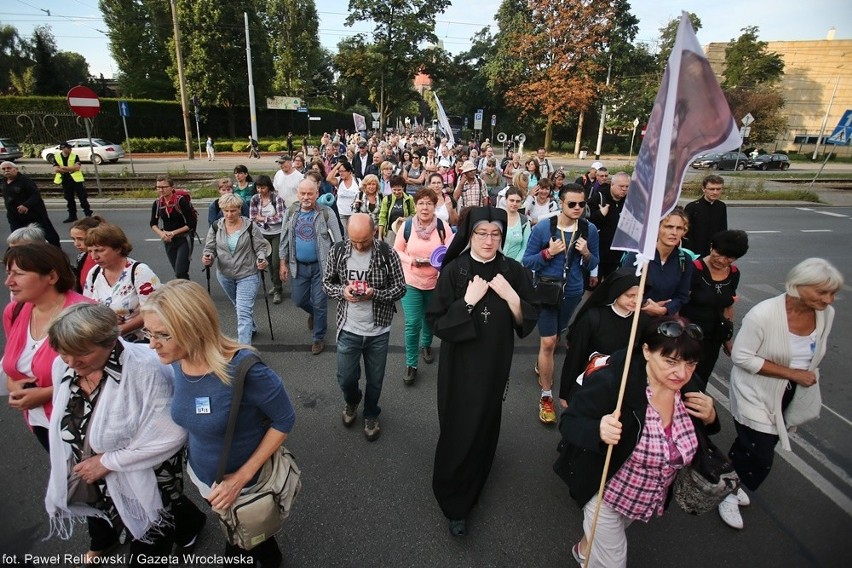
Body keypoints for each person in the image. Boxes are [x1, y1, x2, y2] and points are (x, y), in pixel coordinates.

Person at [141, 280, 296, 566]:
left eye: (163, 334)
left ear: (193, 328)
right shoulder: (176, 360)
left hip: (246, 485)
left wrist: (240, 478)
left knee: (242, 543)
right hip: (204, 478)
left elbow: (284, 419)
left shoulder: (245, 369)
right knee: (248, 532)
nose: (152, 344)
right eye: (148, 332)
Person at [44, 303, 206, 564]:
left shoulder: (146, 368)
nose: (72, 363)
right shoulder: (62, 365)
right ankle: (191, 524)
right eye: (64, 354)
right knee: (160, 508)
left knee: (152, 523)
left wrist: (106, 462)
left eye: (82, 353)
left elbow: (170, 434)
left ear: (109, 342)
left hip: (149, 470)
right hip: (96, 472)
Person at [555, 317, 719, 568]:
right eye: (670, 361)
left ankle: (584, 549)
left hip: (644, 496)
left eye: (691, 363)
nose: (681, 373)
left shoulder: (688, 387)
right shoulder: (615, 385)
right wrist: (598, 430)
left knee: (609, 534)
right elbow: (569, 422)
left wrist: (711, 418)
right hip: (604, 492)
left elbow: (696, 433)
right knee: (613, 562)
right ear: (646, 351)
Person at [427, 206, 538, 536]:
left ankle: (473, 488)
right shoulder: (455, 272)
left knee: (485, 427)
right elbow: (436, 323)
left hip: (494, 365)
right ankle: (453, 500)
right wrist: (469, 302)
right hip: (459, 367)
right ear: (469, 234)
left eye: (496, 234)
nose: (489, 240)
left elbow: (525, 322)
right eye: (482, 233)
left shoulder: (513, 271)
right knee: (458, 427)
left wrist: (513, 298)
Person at [720, 258, 843, 530]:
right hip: (754, 391)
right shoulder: (763, 314)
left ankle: (727, 470)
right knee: (761, 453)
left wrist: (801, 377)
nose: (829, 299)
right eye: (822, 292)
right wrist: (792, 373)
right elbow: (741, 357)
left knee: (753, 443)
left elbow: (814, 351)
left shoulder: (826, 314)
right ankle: (728, 494)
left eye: (833, 293)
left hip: (790, 392)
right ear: (798, 286)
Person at [322, 213, 407, 441]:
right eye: (354, 241)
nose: (359, 246)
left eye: (365, 241)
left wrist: (375, 293)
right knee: (346, 378)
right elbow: (327, 284)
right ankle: (352, 400)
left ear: (373, 233)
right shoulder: (338, 251)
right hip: (348, 328)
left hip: (378, 330)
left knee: (375, 380)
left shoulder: (387, 253)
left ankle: (371, 413)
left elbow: (400, 288)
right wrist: (342, 291)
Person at [3, 243, 92, 452]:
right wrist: (13, 385)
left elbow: (107, 374)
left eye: (19, 274)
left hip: (82, 422)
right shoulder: (14, 310)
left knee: (85, 480)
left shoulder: (84, 315)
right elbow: (11, 361)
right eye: (8, 273)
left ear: (51, 277)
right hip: (39, 421)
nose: (9, 282)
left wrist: (46, 394)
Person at [523, 183, 599, 425]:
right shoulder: (544, 227)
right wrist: (548, 253)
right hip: (546, 292)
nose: (578, 208)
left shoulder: (590, 230)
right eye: (572, 204)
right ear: (561, 203)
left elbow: (593, 263)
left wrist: (586, 253)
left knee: (557, 335)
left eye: (582, 204)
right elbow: (527, 262)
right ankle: (546, 397)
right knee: (548, 342)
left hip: (573, 293)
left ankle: (541, 362)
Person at [558, 268, 646, 407]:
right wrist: (565, 393)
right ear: (616, 293)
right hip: (591, 384)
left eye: (639, 295)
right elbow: (575, 356)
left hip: (622, 388)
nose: (635, 300)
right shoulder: (593, 318)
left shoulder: (640, 321)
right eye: (629, 295)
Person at [394, 188, 454, 385]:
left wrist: (438, 265)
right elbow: (396, 250)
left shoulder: (442, 227)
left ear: (434, 206)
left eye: (429, 203)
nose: (425, 207)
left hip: (435, 283)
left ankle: (426, 345)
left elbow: (451, 253)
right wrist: (412, 261)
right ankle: (411, 364)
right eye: (421, 203)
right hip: (411, 281)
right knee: (412, 324)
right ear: (416, 205)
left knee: (430, 318)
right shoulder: (408, 226)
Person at [279, 178, 343, 355]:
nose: (306, 197)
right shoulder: (291, 212)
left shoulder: (326, 212)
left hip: (321, 267)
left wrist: (338, 268)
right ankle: (314, 314)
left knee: (321, 303)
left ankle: (318, 337)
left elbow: (338, 242)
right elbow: (284, 238)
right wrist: (282, 262)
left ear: (317, 194)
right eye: (302, 193)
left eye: (310, 193)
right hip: (298, 266)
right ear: (297, 194)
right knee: (298, 300)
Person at [681, 230, 750, 386]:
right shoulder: (694, 269)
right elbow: (679, 303)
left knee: (701, 380)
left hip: (713, 338)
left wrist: (727, 339)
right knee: (684, 379)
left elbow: (728, 306)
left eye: (729, 258)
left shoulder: (733, 273)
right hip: (689, 336)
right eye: (718, 253)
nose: (721, 260)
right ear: (712, 247)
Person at [204, 194, 269, 344]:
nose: (229, 214)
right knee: (239, 306)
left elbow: (260, 247)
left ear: (239, 209)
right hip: (224, 274)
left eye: (233, 211)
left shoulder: (250, 226)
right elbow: (210, 248)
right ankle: (251, 327)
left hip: (248, 274)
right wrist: (208, 257)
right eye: (226, 211)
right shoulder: (216, 226)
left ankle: (244, 352)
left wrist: (261, 259)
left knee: (243, 312)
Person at [83, 223, 162, 342]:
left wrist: (118, 331)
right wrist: (105, 319)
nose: (94, 256)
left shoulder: (139, 272)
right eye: (90, 251)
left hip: (139, 342)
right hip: (105, 341)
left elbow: (153, 310)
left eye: (100, 250)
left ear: (118, 248)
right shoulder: (94, 274)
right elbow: (86, 308)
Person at [621, 208, 693, 316]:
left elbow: (682, 296)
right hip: (635, 317)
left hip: (663, 320)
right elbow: (623, 288)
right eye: (669, 227)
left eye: (679, 228)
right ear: (657, 228)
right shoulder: (639, 255)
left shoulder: (684, 259)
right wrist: (645, 305)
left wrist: (665, 309)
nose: (674, 232)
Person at [1, 161, 61, 247]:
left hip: (33, 214)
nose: (6, 170)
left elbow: (35, 195)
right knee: (16, 236)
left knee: (48, 233)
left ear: (16, 169)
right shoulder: (4, 182)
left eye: (9, 168)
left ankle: (57, 249)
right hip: (15, 216)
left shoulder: (25, 180)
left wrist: (26, 205)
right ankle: (15, 253)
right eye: (4, 169)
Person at [150, 175, 196, 280]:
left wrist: (172, 233)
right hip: (168, 241)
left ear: (172, 187)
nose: (161, 190)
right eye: (158, 187)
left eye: (164, 187)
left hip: (184, 239)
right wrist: (161, 234)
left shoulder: (180, 201)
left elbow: (191, 223)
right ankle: (185, 293)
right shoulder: (157, 203)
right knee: (177, 271)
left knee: (181, 271)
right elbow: (153, 223)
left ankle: (187, 294)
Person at [250, 175, 286, 304]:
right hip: (263, 234)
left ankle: (278, 290)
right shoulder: (254, 199)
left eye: (263, 187)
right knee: (268, 261)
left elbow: (281, 217)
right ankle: (275, 284)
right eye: (258, 187)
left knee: (276, 262)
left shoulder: (277, 198)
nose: (260, 190)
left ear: (269, 187)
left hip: (277, 233)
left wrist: (263, 218)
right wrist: (267, 218)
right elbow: (253, 217)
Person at [589, 171, 630, 280]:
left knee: (612, 286)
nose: (624, 189)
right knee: (592, 287)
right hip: (598, 252)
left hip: (617, 255)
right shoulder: (599, 197)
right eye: (621, 186)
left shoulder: (629, 202)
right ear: (612, 185)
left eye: (627, 186)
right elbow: (586, 221)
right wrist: (600, 214)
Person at [684, 174, 728, 257]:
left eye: (718, 189)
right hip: (694, 253)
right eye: (711, 189)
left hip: (713, 253)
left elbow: (723, 230)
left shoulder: (721, 206)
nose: (715, 192)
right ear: (703, 189)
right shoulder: (692, 207)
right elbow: (685, 233)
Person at [52, 141, 93, 223]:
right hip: (65, 180)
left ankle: (88, 215)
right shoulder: (56, 157)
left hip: (76, 180)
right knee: (69, 199)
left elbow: (77, 168)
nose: (70, 149)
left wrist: (64, 168)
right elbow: (56, 169)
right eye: (68, 148)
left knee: (83, 198)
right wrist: (70, 168)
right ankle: (72, 216)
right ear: (63, 149)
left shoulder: (75, 156)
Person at [378, 175, 415, 244]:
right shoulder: (387, 199)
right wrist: (380, 236)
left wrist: (406, 219)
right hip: (390, 232)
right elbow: (382, 217)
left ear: (403, 188)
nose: (397, 192)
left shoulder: (409, 198)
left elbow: (413, 214)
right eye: (394, 190)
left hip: (404, 230)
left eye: (399, 190)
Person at [328, 159, 360, 233]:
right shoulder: (339, 180)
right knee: (346, 233)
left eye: (343, 171)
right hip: (341, 213)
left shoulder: (357, 181)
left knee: (353, 232)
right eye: (340, 171)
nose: (341, 173)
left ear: (349, 172)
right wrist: (337, 167)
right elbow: (328, 178)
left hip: (354, 213)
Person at [501, 187, 530, 263]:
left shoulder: (524, 221)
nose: (514, 204)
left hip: (515, 265)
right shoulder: (498, 218)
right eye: (512, 200)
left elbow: (525, 247)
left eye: (518, 201)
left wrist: (514, 264)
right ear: (505, 200)